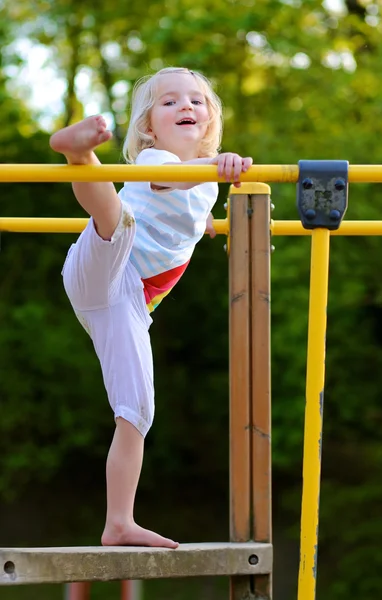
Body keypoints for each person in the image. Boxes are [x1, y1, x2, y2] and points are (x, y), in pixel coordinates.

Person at [50, 67, 253, 548]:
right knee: (117, 222)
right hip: (105, 265)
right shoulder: (158, 162)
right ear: (148, 128)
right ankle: (80, 154)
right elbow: (172, 183)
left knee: (137, 410)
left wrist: (206, 223)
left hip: (128, 301)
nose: (186, 106)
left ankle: (118, 521)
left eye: (196, 101)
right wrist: (218, 166)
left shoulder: (205, 184)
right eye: (170, 102)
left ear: (209, 120)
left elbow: (189, 208)